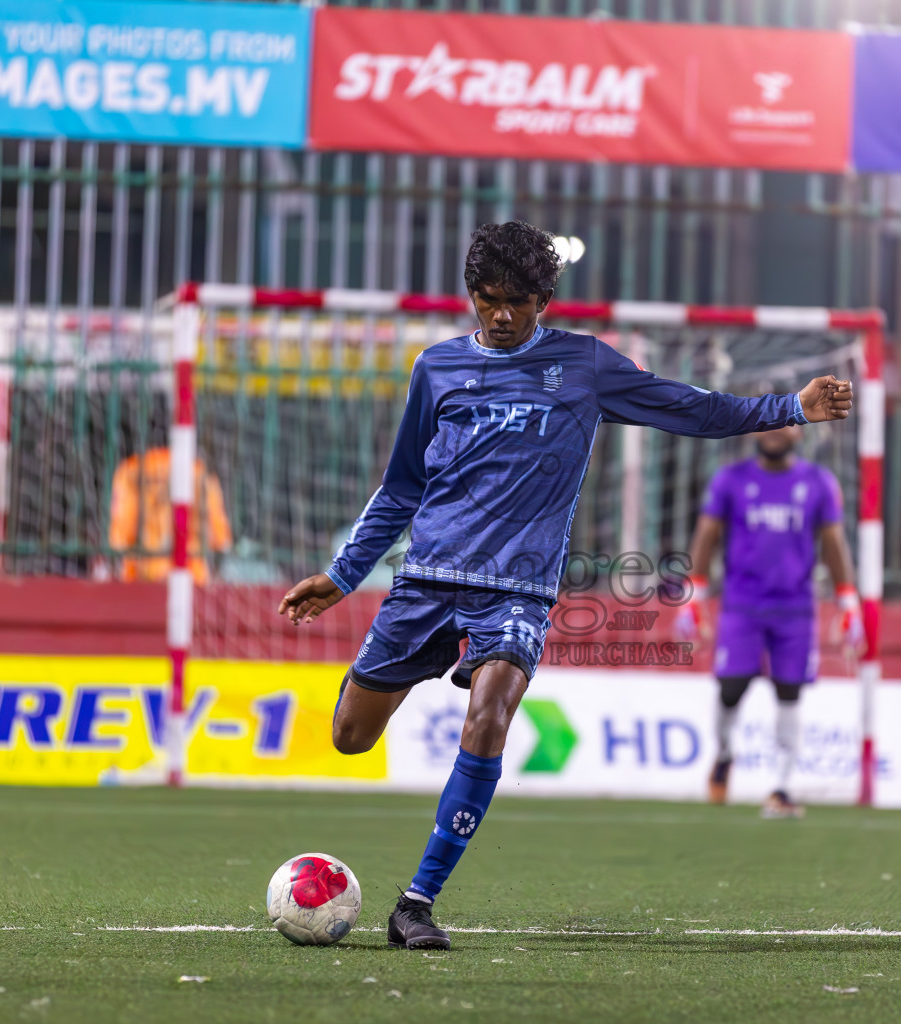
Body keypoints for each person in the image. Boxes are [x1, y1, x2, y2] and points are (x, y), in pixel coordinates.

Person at [281, 221, 854, 951]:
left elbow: (688, 407)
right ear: (471, 295)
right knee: (350, 737)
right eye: (487, 300)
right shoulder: (437, 368)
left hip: (516, 590)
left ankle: (416, 902)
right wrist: (342, 575)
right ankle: (409, 678)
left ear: (545, 299)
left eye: (517, 301)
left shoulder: (583, 366)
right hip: (426, 579)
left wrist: (788, 407)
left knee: (490, 713)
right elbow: (401, 488)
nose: (500, 315)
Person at [677, 425, 862, 818]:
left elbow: (833, 542)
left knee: (790, 691)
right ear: (755, 432)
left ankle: (782, 786)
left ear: (800, 434)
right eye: (769, 425)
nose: (776, 433)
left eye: (786, 425)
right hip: (742, 604)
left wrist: (848, 599)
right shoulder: (731, 479)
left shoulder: (817, 483)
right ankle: (725, 754)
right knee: (731, 686)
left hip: (795, 606)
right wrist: (693, 593)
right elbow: (707, 534)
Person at [107, 447, 232, 584]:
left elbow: (122, 535)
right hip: (191, 575)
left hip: (142, 577)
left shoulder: (130, 470)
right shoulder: (197, 470)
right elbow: (219, 538)